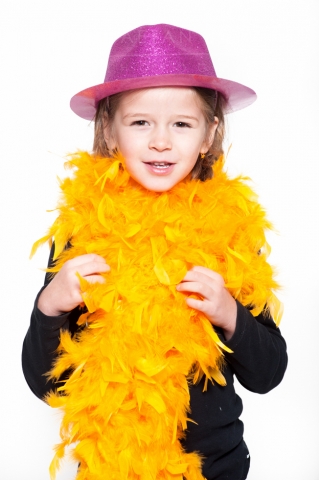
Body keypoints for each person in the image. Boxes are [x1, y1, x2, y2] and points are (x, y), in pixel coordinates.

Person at [22, 24, 287, 480]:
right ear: (108, 130)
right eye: (140, 121)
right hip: (113, 466)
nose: (160, 141)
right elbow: (47, 386)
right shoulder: (81, 233)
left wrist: (230, 313)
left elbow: (268, 374)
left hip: (215, 468)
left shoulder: (233, 236)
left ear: (209, 134)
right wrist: (48, 308)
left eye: (181, 124)